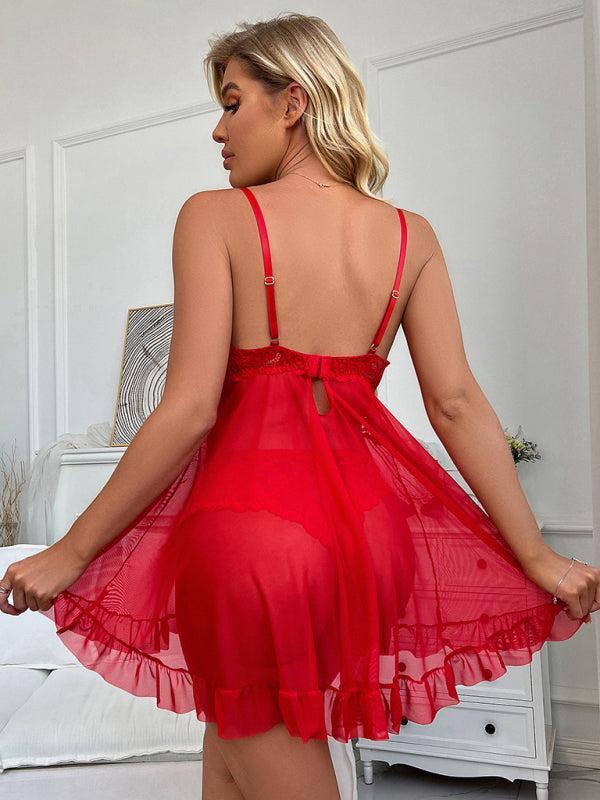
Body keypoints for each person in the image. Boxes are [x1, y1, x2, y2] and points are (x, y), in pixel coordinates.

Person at [1, 12, 599, 800]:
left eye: (231, 102)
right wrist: (535, 554)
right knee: (233, 754)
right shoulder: (410, 235)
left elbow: (189, 409)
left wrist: (72, 551)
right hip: (372, 539)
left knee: (264, 748)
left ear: (294, 102)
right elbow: (455, 403)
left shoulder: (214, 217)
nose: (218, 130)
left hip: (256, 540)